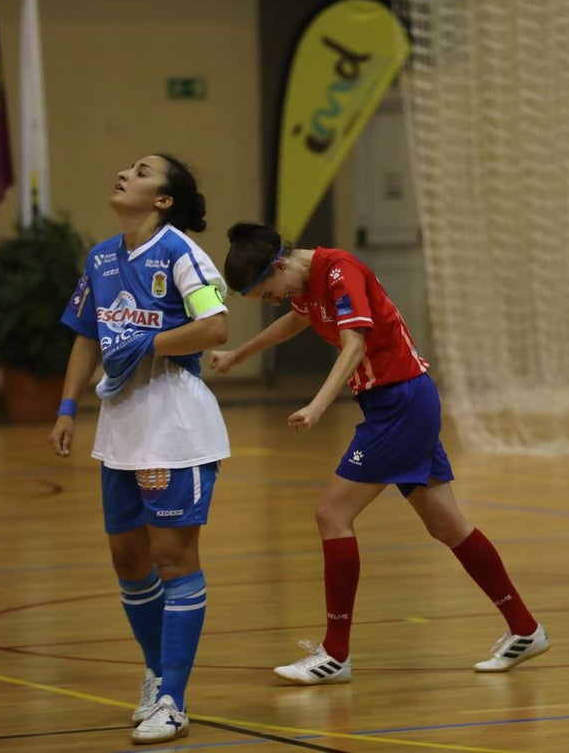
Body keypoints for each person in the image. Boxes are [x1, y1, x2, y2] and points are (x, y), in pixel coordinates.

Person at [209, 222, 550, 685]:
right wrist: (239, 355)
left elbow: (354, 344)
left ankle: (335, 654)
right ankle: (525, 629)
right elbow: (298, 319)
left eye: (270, 293)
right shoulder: (306, 284)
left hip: (400, 404)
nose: (276, 302)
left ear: (281, 264)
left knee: (332, 514)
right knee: (447, 525)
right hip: (400, 403)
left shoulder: (339, 271)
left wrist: (317, 405)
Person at [47, 153, 230, 744]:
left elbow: (216, 326)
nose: (126, 173)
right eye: (128, 167)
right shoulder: (101, 257)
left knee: (173, 558)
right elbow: (87, 336)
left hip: (174, 424)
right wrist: (67, 407)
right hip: (120, 426)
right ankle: (155, 671)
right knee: (128, 559)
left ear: (163, 200)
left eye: (143, 171)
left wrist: (150, 341)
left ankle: (173, 700)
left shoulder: (181, 252)